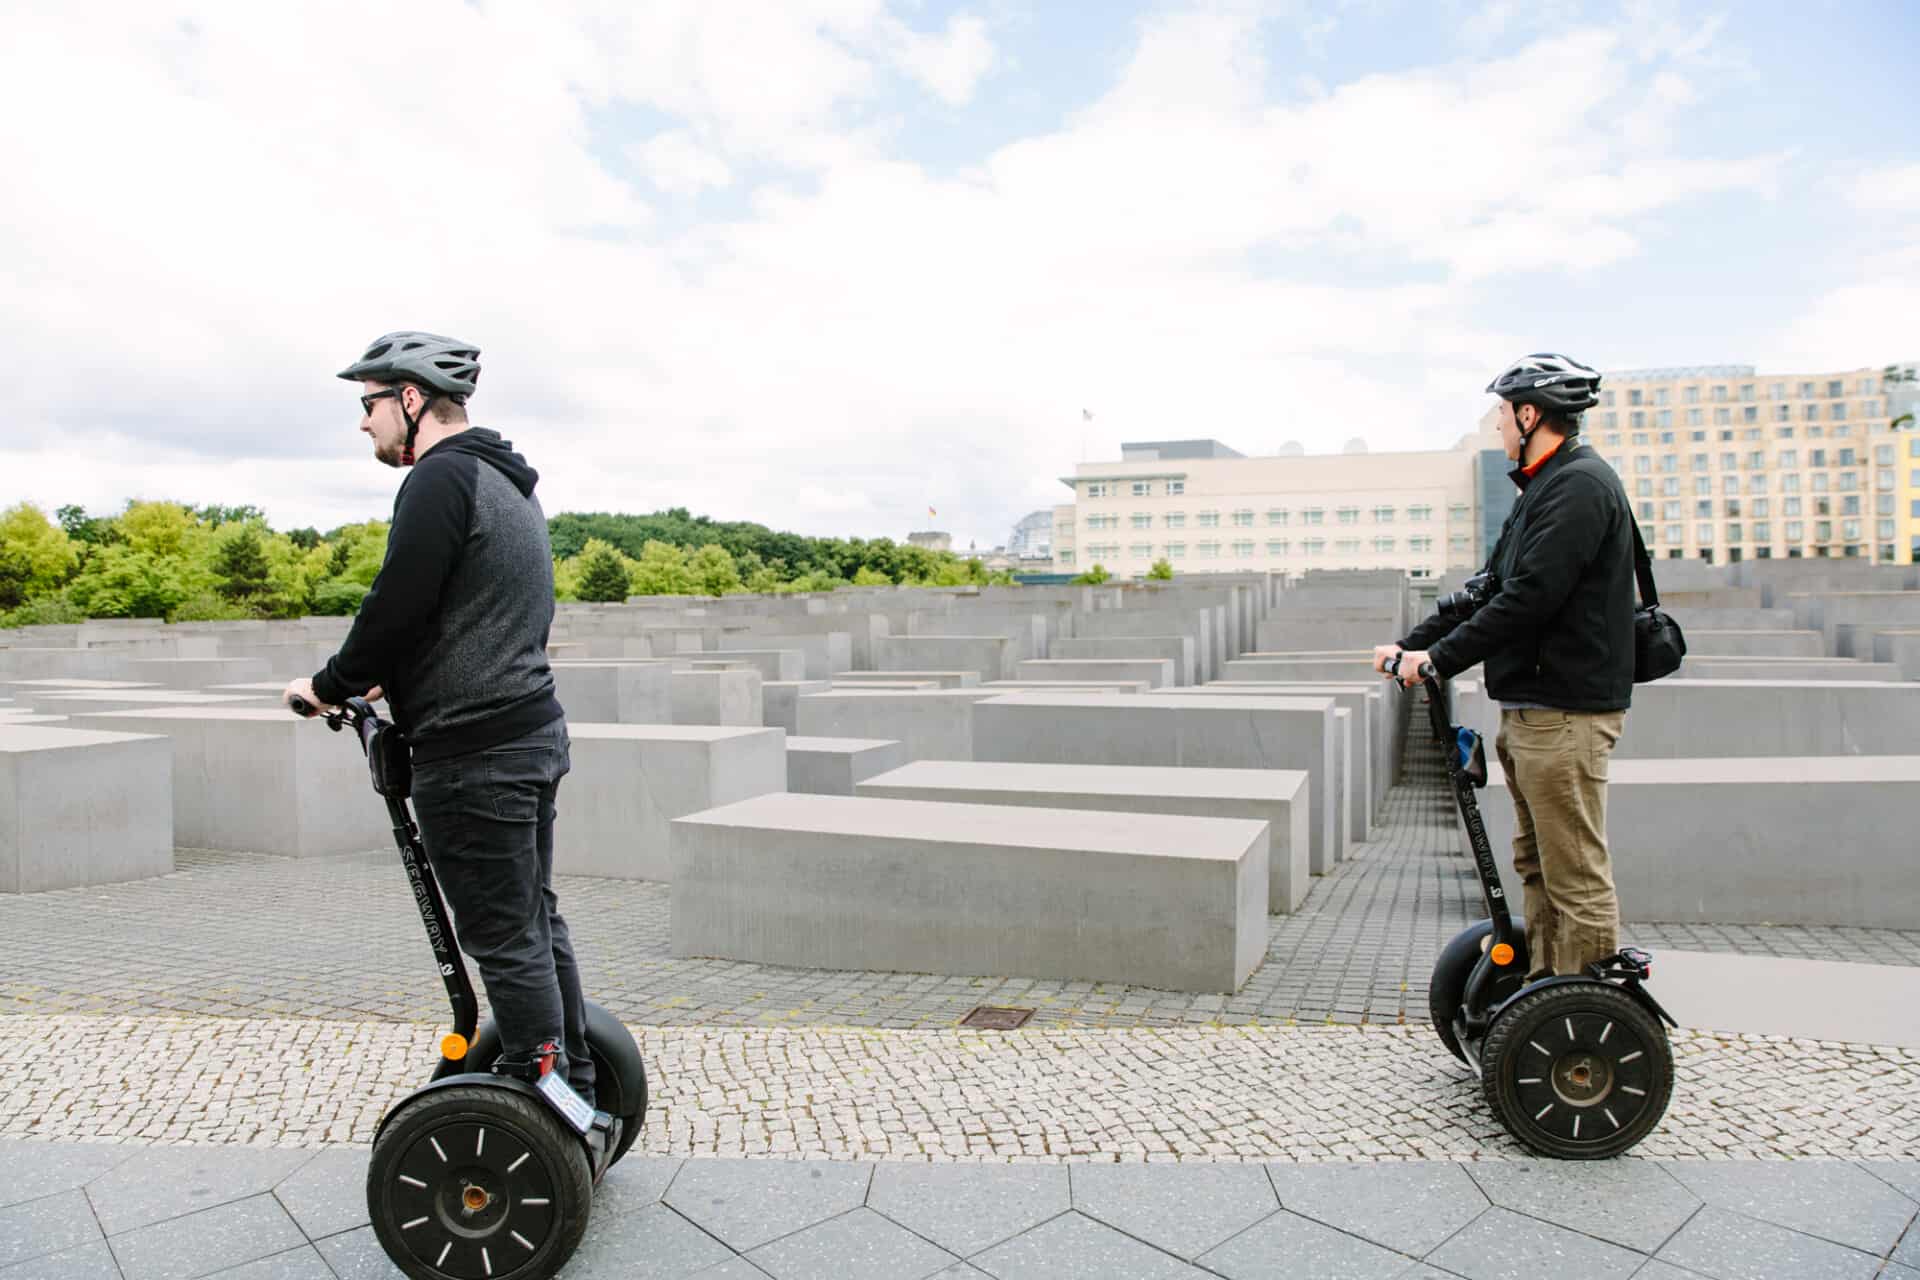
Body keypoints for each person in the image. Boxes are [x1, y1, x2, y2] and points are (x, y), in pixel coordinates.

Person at [283, 331, 604, 1134]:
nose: (364, 424)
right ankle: (580, 1085)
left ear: (412, 399)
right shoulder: (508, 481)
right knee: (534, 919)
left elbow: (395, 604)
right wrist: (407, 676)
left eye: (369, 404)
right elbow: (479, 611)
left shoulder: (439, 479)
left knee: (502, 936)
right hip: (529, 732)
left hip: (476, 755)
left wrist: (328, 686)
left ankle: (544, 1103)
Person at [1375, 353, 1636, 979]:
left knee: (1573, 871)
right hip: (1533, 709)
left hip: (1566, 713)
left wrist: (1436, 661)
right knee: (1538, 862)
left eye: (1502, 413)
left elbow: (1531, 599)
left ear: (1530, 413)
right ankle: (1547, 989)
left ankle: (1583, 1013)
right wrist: (1413, 642)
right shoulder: (1542, 488)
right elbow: (1489, 587)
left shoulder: (1580, 486)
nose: (1498, 426)